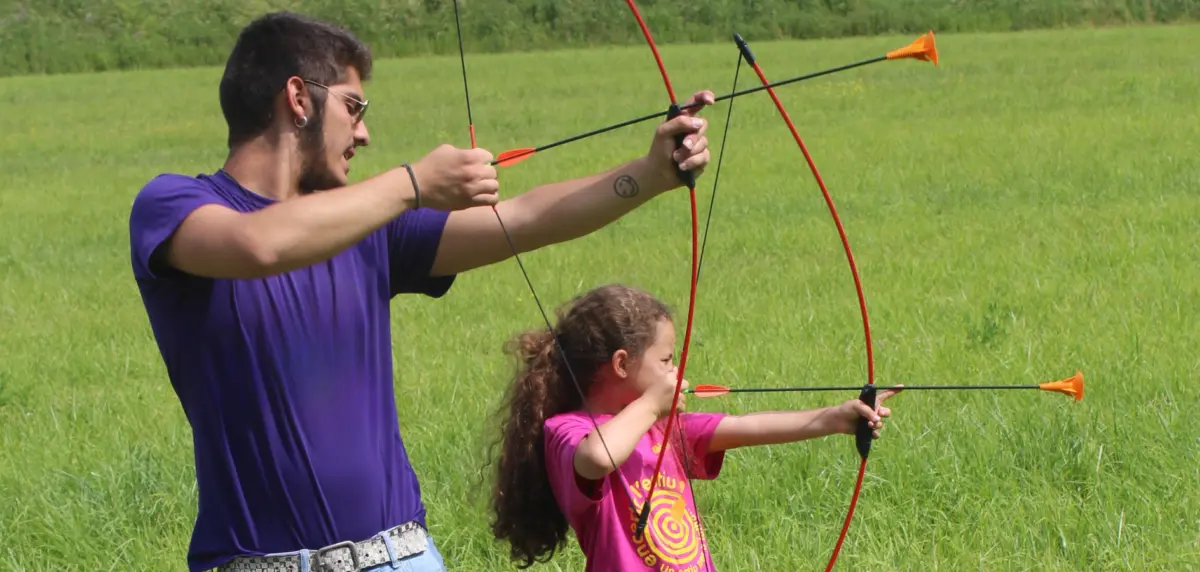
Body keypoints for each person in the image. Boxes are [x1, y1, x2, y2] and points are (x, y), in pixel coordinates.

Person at [126, 10, 715, 572]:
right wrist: (412, 183)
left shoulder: (367, 226)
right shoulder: (174, 205)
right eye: (353, 107)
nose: (364, 132)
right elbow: (257, 244)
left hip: (400, 554)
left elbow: (526, 219)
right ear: (299, 98)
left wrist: (651, 174)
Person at [487, 284, 900, 571]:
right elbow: (597, 457)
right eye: (666, 360)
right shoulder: (567, 431)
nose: (675, 371)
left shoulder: (663, 428)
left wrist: (834, 418)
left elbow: (748, 426)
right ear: (621, 363)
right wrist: (652, 404)